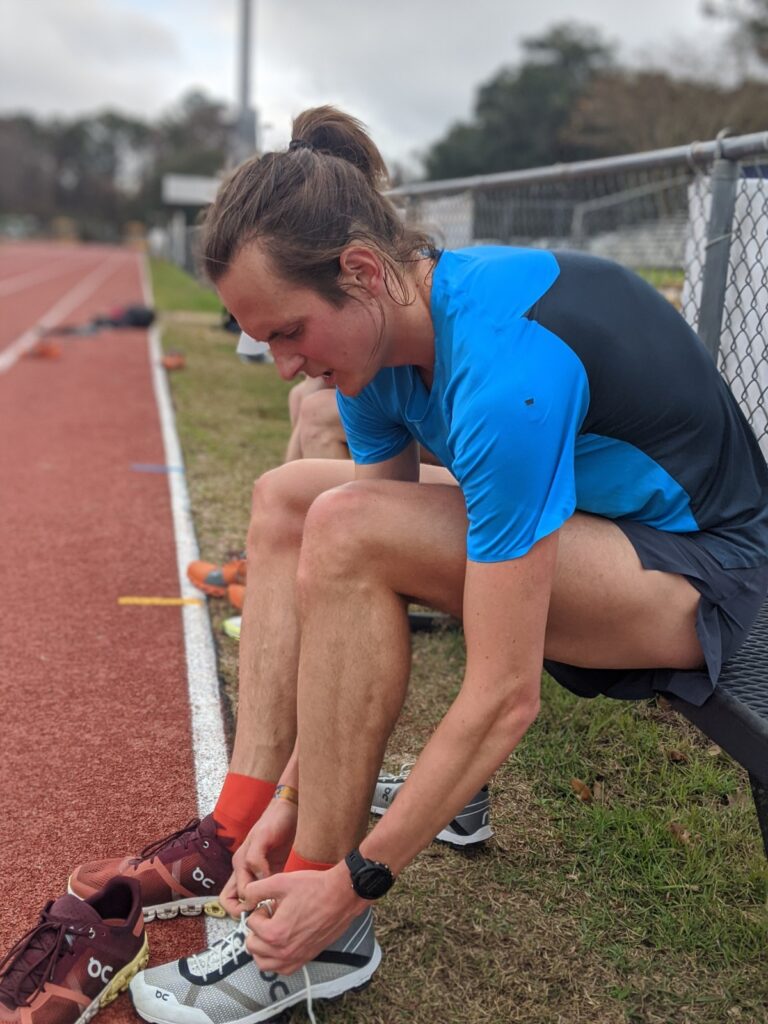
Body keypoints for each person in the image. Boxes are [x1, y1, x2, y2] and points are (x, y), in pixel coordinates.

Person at [71, 106, 768, 1024]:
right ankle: (255, 824)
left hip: (708, 578)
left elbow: (504, 693)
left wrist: (352, 883)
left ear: (362, 273)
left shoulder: (502, 374)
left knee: (351, 524)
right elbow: (354, 594)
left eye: (288, 332)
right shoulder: (378, 360)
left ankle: (319, 934)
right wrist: (296, 794)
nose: (282, 366)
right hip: (600, 526)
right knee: (307, 507)